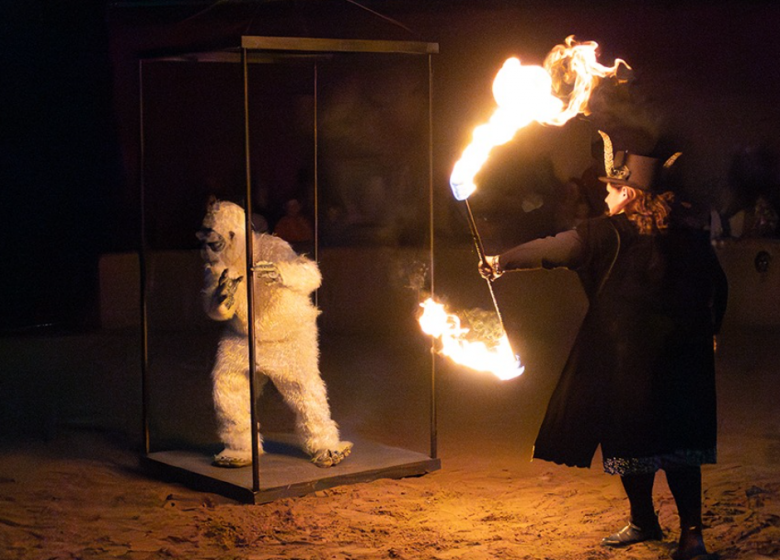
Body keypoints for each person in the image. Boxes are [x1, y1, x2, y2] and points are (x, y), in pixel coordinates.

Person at [479, 132, 728, 560]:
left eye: (611, 189)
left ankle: (666, 528)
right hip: (683, 360)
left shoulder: (605, 234)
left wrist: (501, 262)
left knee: (636, 440)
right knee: (672, 443)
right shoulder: (687, 234)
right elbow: (718, 286)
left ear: (628, 193)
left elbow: (556, 248)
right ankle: (679, 533)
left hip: (629, 363)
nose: (606, 196)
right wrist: (712, 332)